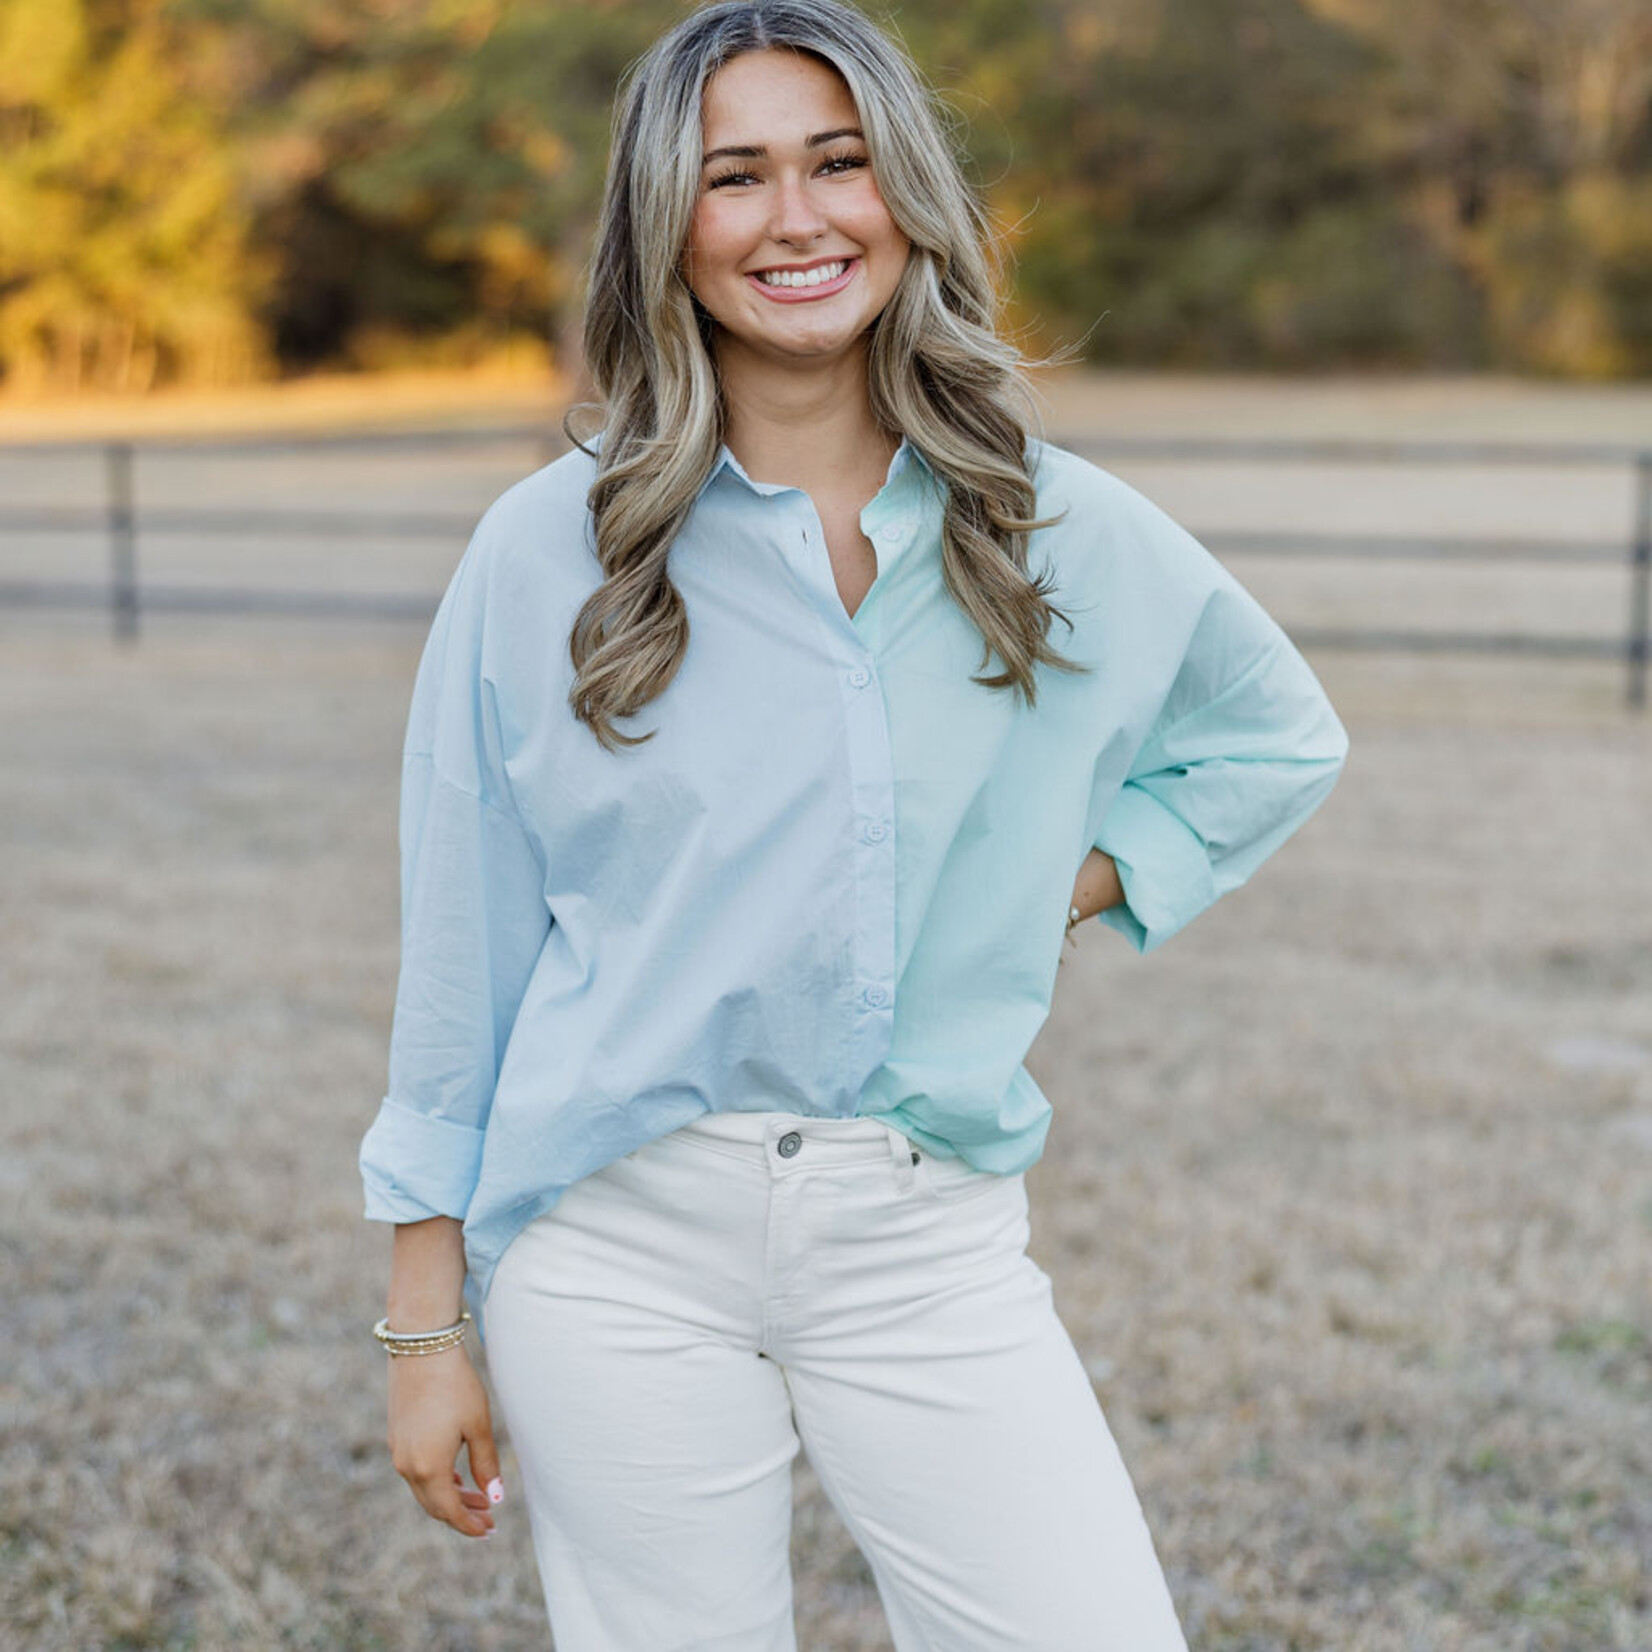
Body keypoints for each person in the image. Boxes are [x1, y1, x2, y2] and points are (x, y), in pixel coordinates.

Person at [357, 2, 1348, 1647]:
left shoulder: (1048, 518)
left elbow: (1275, 737)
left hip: (925, 1232)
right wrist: (421, 1328)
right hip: (615, 1240)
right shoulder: (549, 550)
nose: (798, 216)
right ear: (665, 225)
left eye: (839, 161)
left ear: (909, 195)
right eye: (734, 175)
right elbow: (462, 951)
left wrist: (1065, 881)